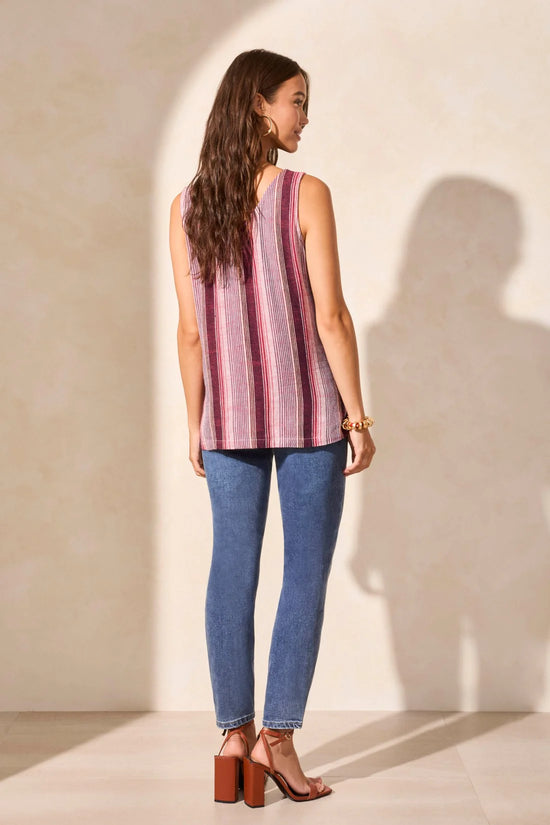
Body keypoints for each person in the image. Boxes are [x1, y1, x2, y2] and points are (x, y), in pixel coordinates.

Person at [169, 48, 376, 806]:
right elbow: (332, 316)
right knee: (304, 572)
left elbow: (190, 331)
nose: (304, 116)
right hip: (310, 412)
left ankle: (233, 738)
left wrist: (195, 422)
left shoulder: (186, 207)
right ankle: (276, 741)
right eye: (296, 100)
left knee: (232, 569)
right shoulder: (303, 194)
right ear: (259, 105)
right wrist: (358, 416)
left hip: (226, 419)